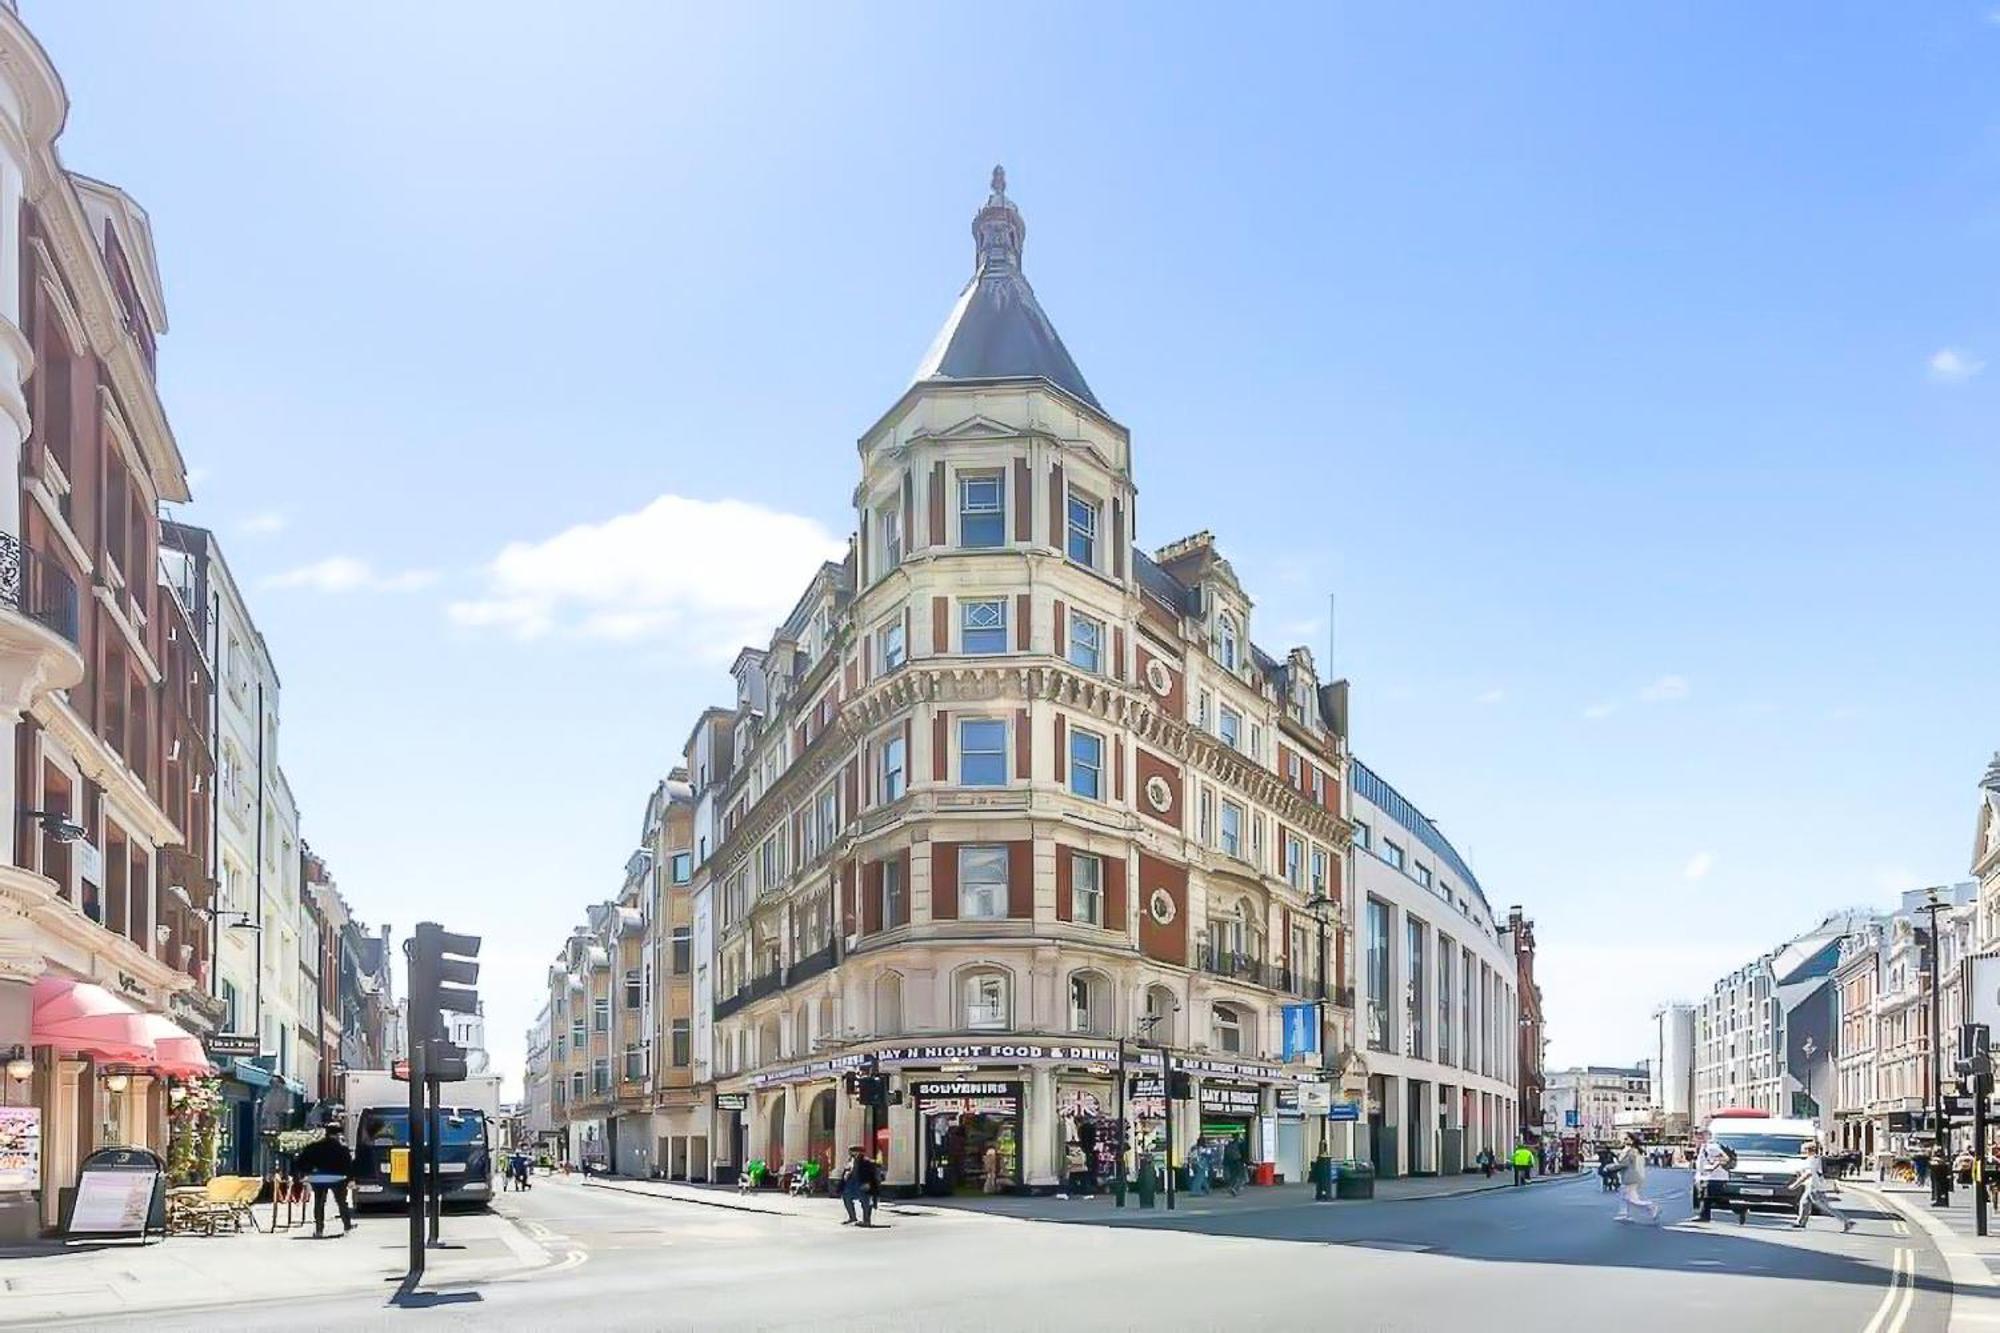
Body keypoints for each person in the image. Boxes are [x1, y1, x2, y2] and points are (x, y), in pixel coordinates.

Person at [291, 1130, 355, 1238]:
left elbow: (301, 1161)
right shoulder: (342, 1149)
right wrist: (350, 1178)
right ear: (336, 1136)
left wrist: (306, 1173)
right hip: (338, 1178)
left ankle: (319, 1229)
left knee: (319, 1203)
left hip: (318, 1177)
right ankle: (347, 1227)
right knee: (341, 1202)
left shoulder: (314, 1147)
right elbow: (349, 1165)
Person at [1794, 1142, 1854, 1233]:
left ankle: (1847, 1221)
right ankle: (1800, 1222)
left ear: (1808, 1150)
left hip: (1814, 1187)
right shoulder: (1816, 1158)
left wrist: (1795, 1184)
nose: (1802, 1151)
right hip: (1813, 1186)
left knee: (1825, 1207)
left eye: (1804, 1149)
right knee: (1804, 1203)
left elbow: (1808, 1173)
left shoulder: (1812, 1160)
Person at [1691, 1132, 1746, 1225]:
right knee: (1713, 1199)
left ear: (1707, 1137)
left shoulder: (1712, 1147)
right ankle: (1739, 1209)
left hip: (1716, 1178)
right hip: (1707, 1177)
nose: (1697, 1140)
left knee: (1709, 1198)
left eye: (1700, 1137)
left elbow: (1725, 1158)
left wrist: (1713, 1166)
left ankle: (1705, 1216)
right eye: (1697, 1137)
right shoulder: (1704, 1147)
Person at [1613, 1133, 1661, 1224]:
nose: (1623, 1140)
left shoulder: (1631, 1151)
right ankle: (1626, 1214)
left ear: (1631, 1140)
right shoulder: (1636, 1151)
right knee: (1625, 1196)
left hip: (1631, 1177)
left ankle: (1651, 1206)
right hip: (1635, 1177)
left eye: (1626, 1139)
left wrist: (1611, 1167)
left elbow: (1624, 1164)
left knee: (1633, 1199)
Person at [839, 1146, 880, 1227]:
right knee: (846, 1198)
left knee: (866, 1202)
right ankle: (852, 1217)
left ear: (858, 1152)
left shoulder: (867, 1162)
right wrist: (845, 1176)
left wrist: (869, 1184)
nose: (850, 1153)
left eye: (852, 1151)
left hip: (863, 1184)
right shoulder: (850, 1161)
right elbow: (847, 1171)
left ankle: (866, 1221)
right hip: (851, 1185)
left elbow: (873, 1175)